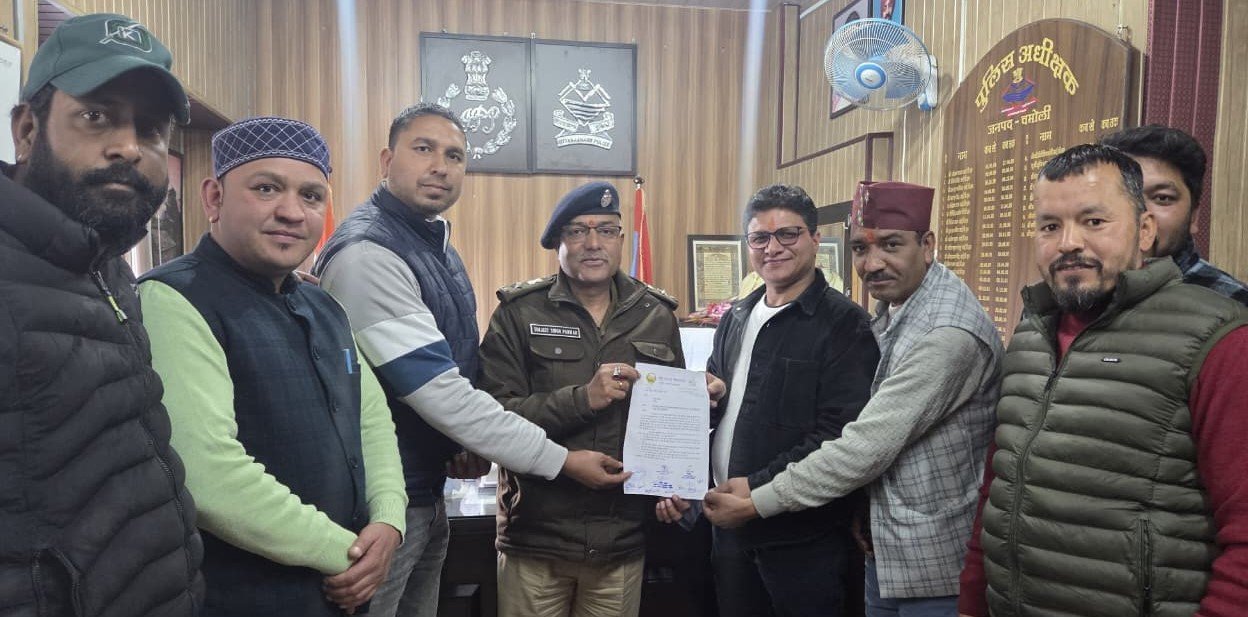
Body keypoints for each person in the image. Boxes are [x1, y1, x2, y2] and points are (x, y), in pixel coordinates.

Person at [314, 103, 630, 617]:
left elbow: (458, 370)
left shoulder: (434, 243)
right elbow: (441, 393)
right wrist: (561, 460)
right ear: (387, 160)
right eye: (424, 149)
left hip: (426, 489)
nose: (440, 166)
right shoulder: (368, 254)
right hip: (378, 502)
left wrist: (461, 443)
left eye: (454, 156)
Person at [957, 144, 1248, 616]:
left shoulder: (1217, 339)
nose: (1068, 242)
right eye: (1050, 226)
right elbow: (1000, 486)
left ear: (1145, 230)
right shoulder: (1031, 334)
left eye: (1093, 221)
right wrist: (971, 601)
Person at [139, 117, 407, 617]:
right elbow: (208, 474)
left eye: (311, 196)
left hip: (340, 590)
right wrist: (351, 553)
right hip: (239, 597)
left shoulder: (324, 305)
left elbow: (372, 421)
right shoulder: (173, 299)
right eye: (266, 188)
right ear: (214, 198)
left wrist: (390, 520)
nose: (291, 211)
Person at [698, 181, 1004, 617]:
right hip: (877, 541)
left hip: (925, 555)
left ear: (927, 245)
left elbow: (860, 445)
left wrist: (756, 496)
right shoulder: (743, 313)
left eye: (892, 245)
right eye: (861, 248)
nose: (873, 263)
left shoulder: (938, 333)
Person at [0, 13, 204, 617]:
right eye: (96, 116)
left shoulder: (104, 267)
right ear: (27, 130)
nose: (128, 147)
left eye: (151, 128)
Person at [475, 181, 718, 617]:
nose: (592, 243)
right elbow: (492, 418)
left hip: (620, 540)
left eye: (606, 230)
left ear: (621, 239)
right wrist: (582, 399)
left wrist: (671, 489)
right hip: (537, 538)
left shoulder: (655, 314)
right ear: (558, 242)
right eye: (577, 231)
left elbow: (667, 424)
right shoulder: (519, 313)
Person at [665, 184, 879, 617]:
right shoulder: (736, 316)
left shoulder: (846, 325)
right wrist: (708, 401)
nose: (773, 247)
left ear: (815, 239)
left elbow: (838, 434)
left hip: (801, 540)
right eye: (760, 237)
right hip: (727, 528)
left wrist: (756, 486)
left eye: (788, 234)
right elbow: (723, 410)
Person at [1099, 125, 1248, 305]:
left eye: (1162, 198)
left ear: (1194, 216)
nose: (1139, 215)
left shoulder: (1233, 304)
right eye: (1120, 195)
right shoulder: (1077, 289)